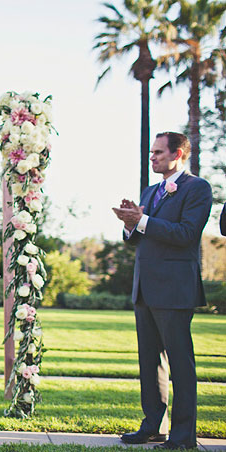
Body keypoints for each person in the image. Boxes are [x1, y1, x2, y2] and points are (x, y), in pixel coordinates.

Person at [113, 132, 212, 450]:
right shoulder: (152, 189)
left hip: (175, 290)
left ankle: (184, 437)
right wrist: (131, 224)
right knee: (149, 362)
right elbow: (142, 235)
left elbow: (186, 233)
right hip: (145, 288)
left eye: (158, 152)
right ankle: (152, 426)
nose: (152, 157)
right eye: (151, 152)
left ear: (179, 153)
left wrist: (143, 220)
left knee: (181, 365)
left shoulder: (197, 188)